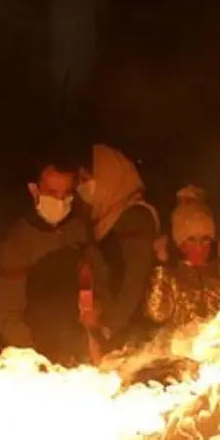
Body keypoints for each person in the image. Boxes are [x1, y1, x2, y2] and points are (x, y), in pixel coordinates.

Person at [0, 150, 111, 366]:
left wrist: (99, 309)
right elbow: (8, 318)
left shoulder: (78, 230)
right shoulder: (16, 246)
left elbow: (99, 273)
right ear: (34, 190)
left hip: (84, 352)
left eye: (66, 194)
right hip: (41, 358)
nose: (60, 201)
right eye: (52, 192)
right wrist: (40, 362)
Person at [75, 143, 160, 350]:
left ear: (109, 177)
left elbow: (134, 281)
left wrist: (108, 325)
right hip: (115, 330)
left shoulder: (135, 217)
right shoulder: (105, 219)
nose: (82, 187)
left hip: (133, 335)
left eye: (87, 180)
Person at [146, 185, 220, 330]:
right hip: (180, 348)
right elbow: (157, 313)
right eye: (191, 239)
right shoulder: (170, 276)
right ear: (180, 243)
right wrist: (161, 267)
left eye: (205, 240)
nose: (199, 247)